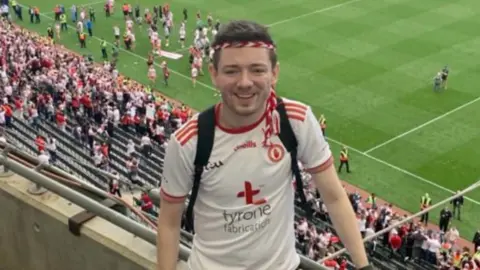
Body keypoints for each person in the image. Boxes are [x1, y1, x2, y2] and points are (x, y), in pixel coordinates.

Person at [157, 20, 371, 270]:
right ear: (213, 74)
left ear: (274, 72)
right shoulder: (188, 141)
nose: (245, 82)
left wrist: (364, 266)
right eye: (231, 70)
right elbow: (169, 225)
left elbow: (334, 197)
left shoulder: (296, 120)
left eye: (257, 69)